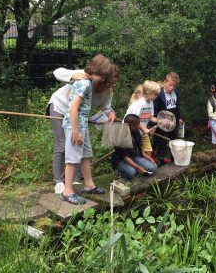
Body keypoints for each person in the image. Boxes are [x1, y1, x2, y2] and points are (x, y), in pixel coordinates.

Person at [47, 57, 118, 194]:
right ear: (102, 77)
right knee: (63, 145)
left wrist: (111, 113)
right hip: (61, 109)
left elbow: (106, 107)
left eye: (112, 84)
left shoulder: (107, 91)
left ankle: (78, 181)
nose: (109, 86)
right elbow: (58, 73)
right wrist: (73, 75)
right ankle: (59, 182)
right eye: (108, 82)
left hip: (79, 118)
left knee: (83, 150)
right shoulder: (85, 78)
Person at [60, 55, 113, 205]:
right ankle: (67, 191)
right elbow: (73, 107)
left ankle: (89, 185)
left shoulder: (87, 82)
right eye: (102, 75)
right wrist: (76, 132)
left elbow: (71, 96)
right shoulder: (84, 83)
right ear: (96, 70)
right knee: (72, 159)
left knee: (85, 155)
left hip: (82, 125)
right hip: (74, 126)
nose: (102, 79)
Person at [125, 80, 161, 163]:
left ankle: (147, 165)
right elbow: (135, 121)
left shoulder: (151, 102)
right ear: (148, 92)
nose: (156, 96)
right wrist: (144, 129)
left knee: (148, 149)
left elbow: (151, 117)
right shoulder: (140, 103)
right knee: (133, 150)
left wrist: (160, 121)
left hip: (142, 131)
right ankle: (136, 166)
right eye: (155, 94)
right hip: (131, 131)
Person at [112, 114, 157, 179]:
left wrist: (150, 159)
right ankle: (119, 172)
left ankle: (136, 170)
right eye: (137, 124)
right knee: (132, 173)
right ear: (131, 125)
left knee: (152, 167)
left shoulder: (136, 132)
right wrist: (138, 167)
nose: (139, 126)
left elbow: (141, 150)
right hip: (120, 160)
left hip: (133, 156)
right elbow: (125, 157)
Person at [153, 72, 183, 165]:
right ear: (165, 82)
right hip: (161, 121)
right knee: (161, 141)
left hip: (173, 121)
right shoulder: (159, 94)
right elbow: (154, 109)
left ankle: (174, 159)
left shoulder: (176, 93)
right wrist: (158, 121)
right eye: (170, 85)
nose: (171, 88)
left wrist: (180, 118)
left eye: (174, 86)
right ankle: (160, 161)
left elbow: (177, 107)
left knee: (174, 140)